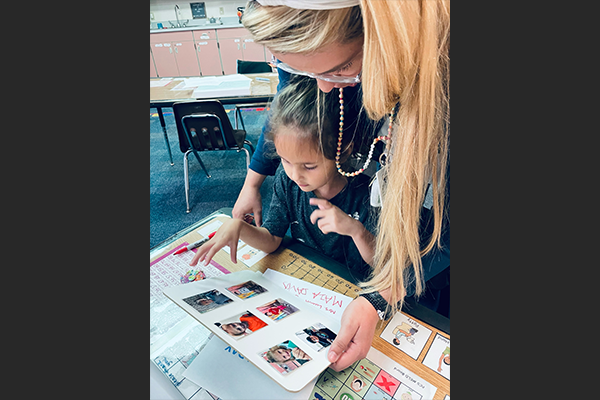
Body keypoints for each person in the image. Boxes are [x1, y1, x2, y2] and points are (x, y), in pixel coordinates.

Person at [237, 0, 450, 372]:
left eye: (341, 69)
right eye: (294, 67)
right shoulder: (319, 69)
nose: (321, 86)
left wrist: (381, 296)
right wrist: (254, 180)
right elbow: (289, 116)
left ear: (387, 37)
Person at [190, 75, 377, 282]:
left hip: (353, 288)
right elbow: (272, 239)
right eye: (285, 161)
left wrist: (356, 231)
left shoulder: (366, 192)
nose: (296, 175)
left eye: (309, 166)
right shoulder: (287, 182)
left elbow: (383, 263)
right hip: (308, 280)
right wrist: (240, 227)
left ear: (343, 151)